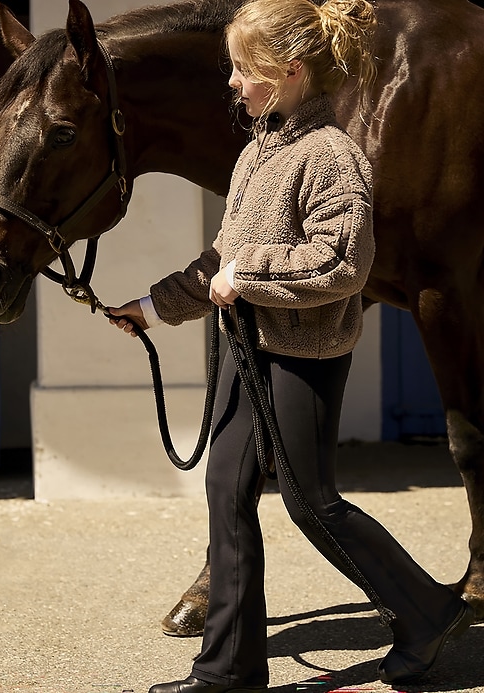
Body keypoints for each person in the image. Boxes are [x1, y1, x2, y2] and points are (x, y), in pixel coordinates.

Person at [108, 0, 474, 689]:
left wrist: (245, 277)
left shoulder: (333, 157)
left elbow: (342, 265)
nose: (232, 83)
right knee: (227, 487)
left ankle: (426, 612)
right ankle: (229, 671)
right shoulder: (256, 154)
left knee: (312, 501)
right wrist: (155, 307)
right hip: (247, 350)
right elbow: (223, 254)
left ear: (286, 74)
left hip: (303, 358)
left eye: (243, 69)